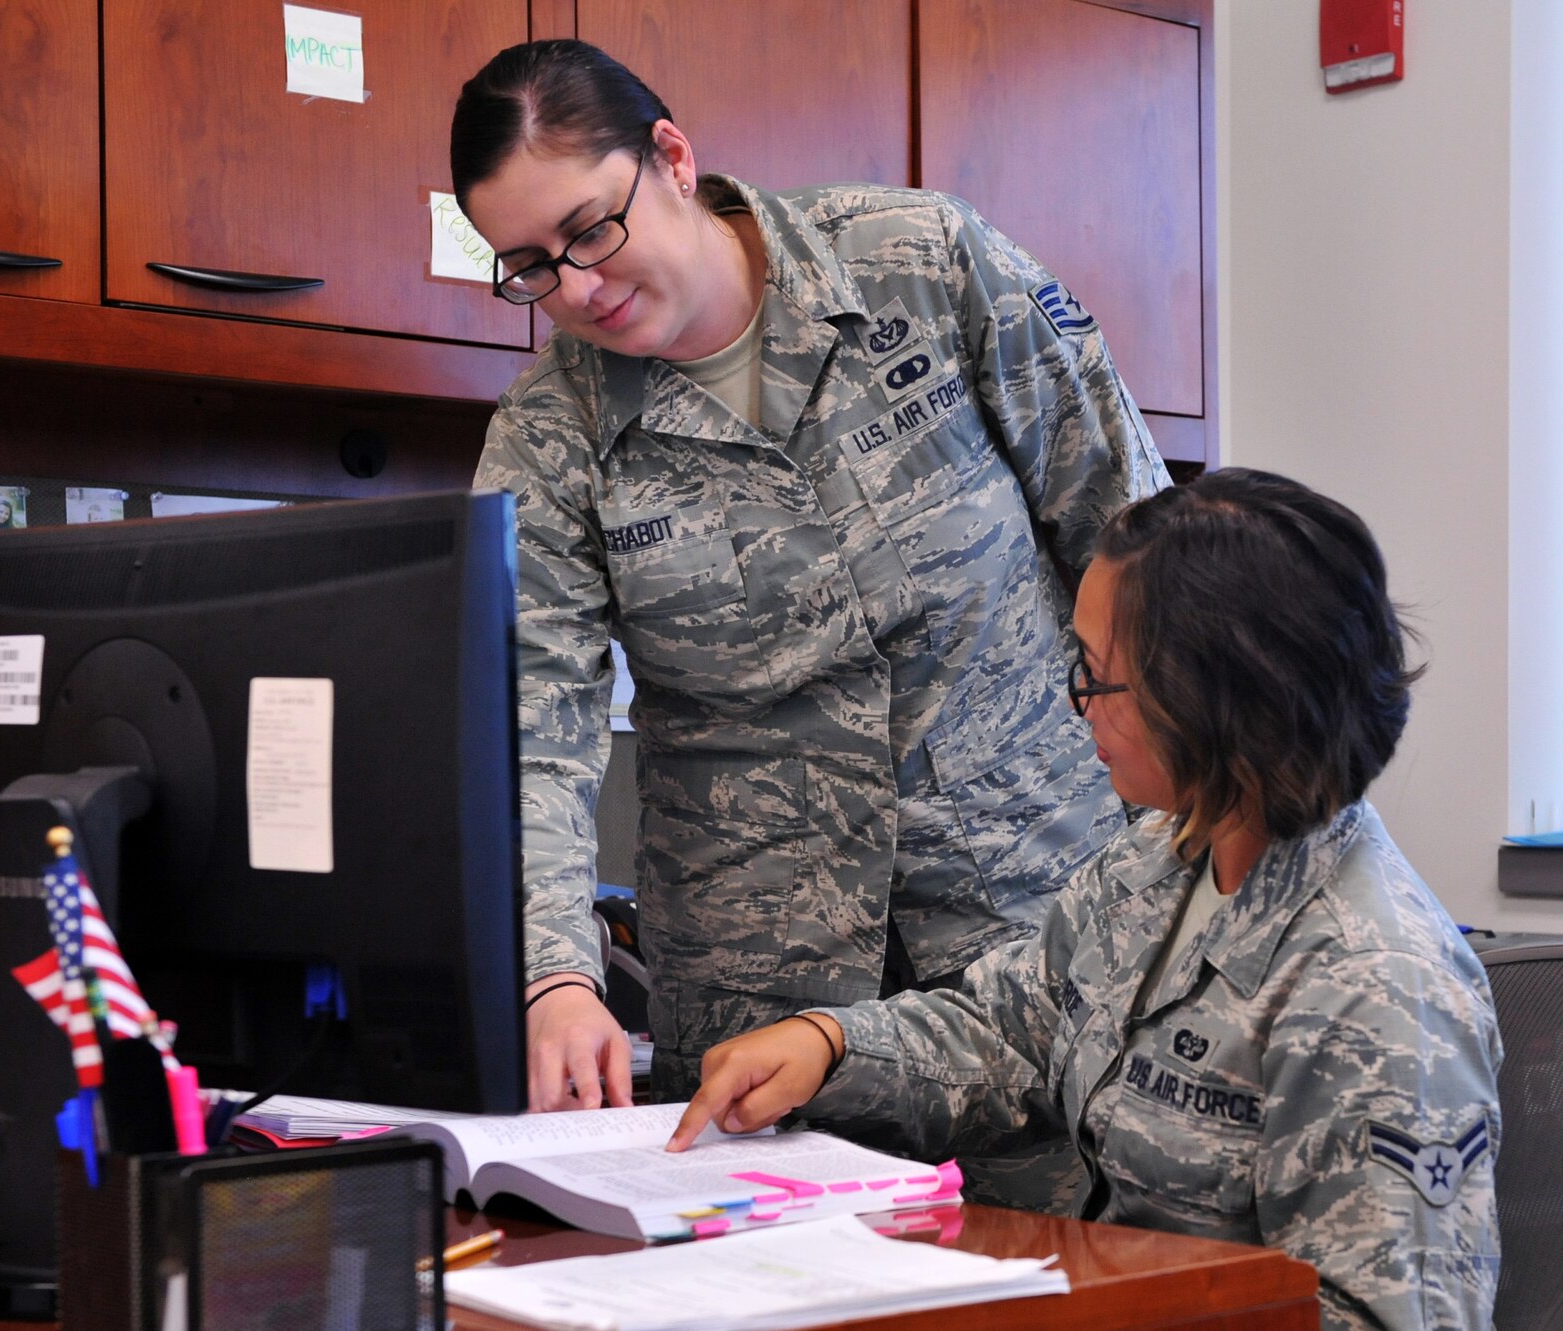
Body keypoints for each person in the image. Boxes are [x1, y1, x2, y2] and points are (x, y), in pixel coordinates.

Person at [449, 34, 1168, 1161]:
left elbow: (1135, 546)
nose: (577, 287)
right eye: (530, 265)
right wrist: (555, 975)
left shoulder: (919, 262)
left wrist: (1192, 868)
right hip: (762, 1020)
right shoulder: (551, 437)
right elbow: (531, 729)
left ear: (673, 158)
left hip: (1033, 946)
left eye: (590, 227)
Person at [671, 468, 1504, 1331]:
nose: (1080, 705)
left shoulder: (1376, 988)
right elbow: (1010, 1030)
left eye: (1102, 677)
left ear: (1215, 699)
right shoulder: (1161, 856)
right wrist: (830, 1045)